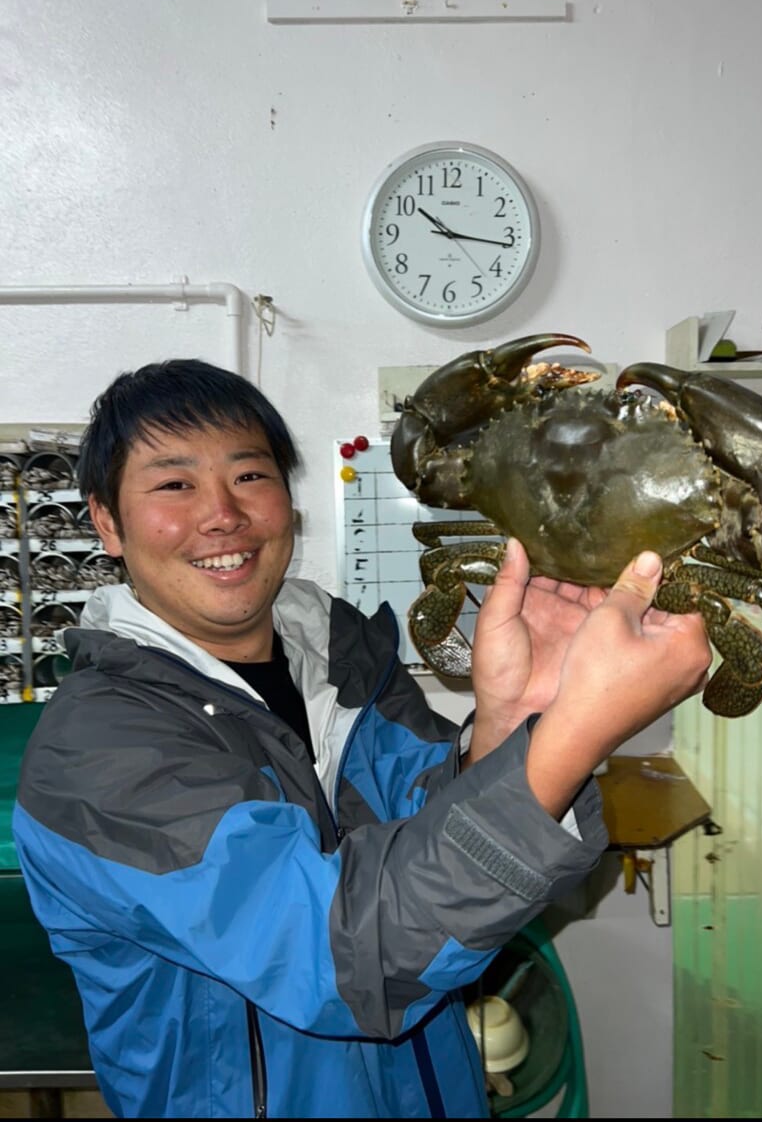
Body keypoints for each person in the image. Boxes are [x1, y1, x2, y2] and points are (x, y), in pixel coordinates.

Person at [12, 358, 711, 1119]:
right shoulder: (96, 752)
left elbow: (437, 847)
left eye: (249, 475)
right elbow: (341, 955)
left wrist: (516, 721)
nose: (222, 514)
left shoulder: (341, 656)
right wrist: (576, 730)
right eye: (174, 484)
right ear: (106, 522)